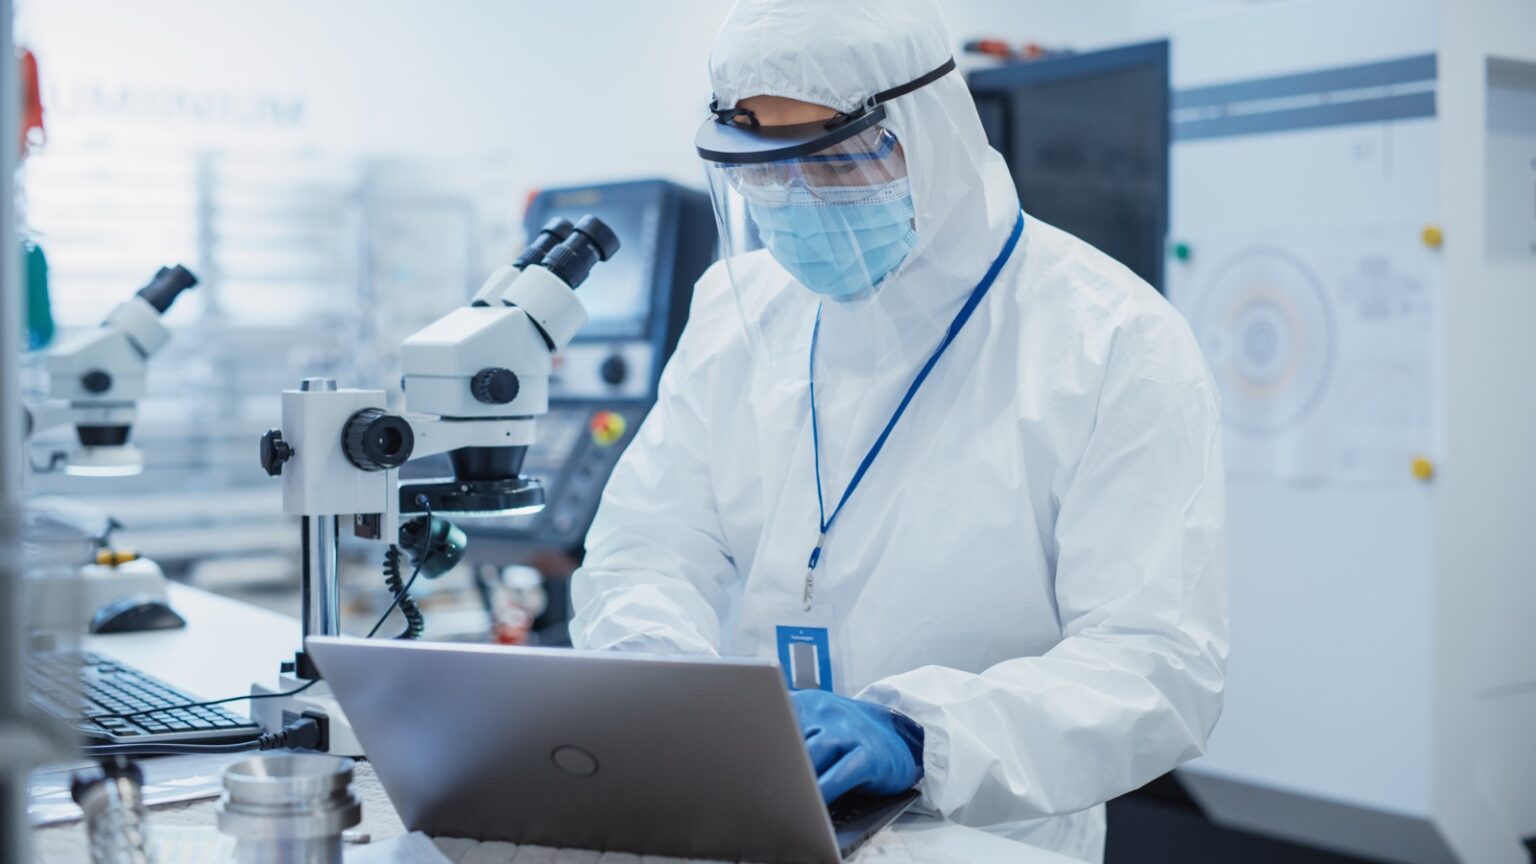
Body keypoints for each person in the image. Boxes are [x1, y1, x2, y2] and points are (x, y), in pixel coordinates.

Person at [569, 0, 1229, 859]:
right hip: (744, 823)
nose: (797, 198)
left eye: (836, 160)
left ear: (932, 132)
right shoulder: (740, 314)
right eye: (765, 166)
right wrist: (661, 678)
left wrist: (922, 737)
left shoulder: (1108, 337)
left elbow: (1155, 663)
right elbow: (648, 548)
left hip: (983, 836)